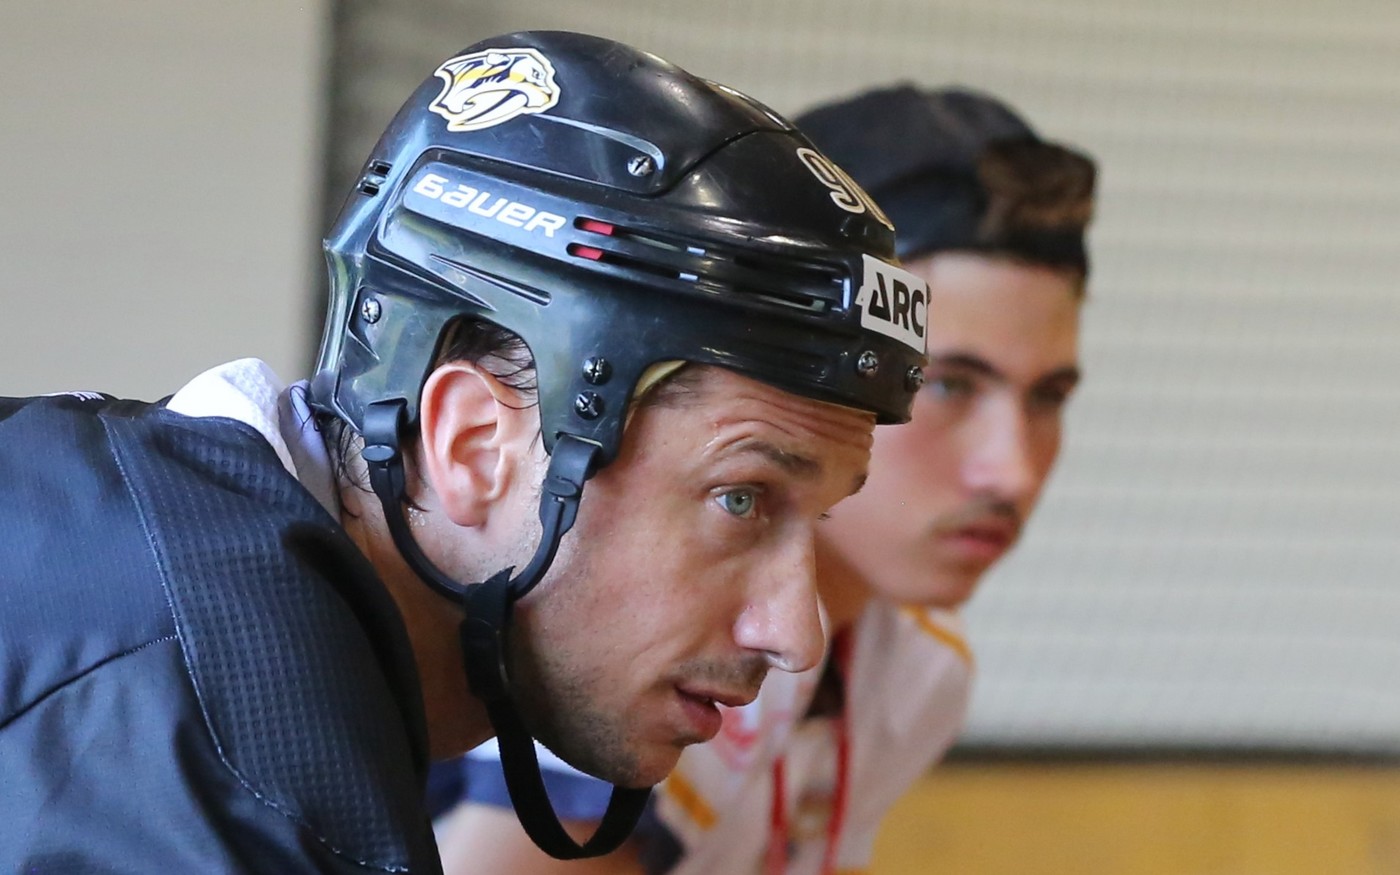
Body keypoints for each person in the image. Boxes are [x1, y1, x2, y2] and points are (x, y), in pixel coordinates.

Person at [0, 34, 930, 873]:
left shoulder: (140, 555)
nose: (795, 633)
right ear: (475, 444)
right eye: (742, 498)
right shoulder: (239, 783)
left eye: (817, 517)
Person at [433, 83, 1096, 874]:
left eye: (1048, 397)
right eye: (947, 384)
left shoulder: (919, 669)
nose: (1012, 470)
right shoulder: (648, 623)